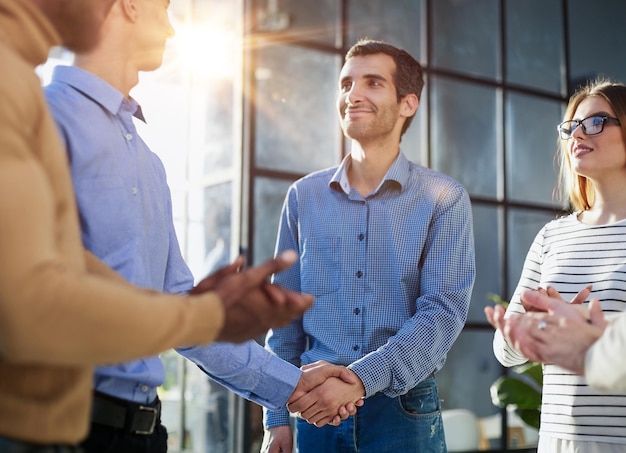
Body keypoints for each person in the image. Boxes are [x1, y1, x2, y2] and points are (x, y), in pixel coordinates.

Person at [0, 0, 316, 451]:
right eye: (165, 8)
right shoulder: (41, 116)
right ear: (129, 5)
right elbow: (38, 291)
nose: (171, 30)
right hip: (62, 429)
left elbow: (179, 308)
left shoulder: (150, 164)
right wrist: (207, 314)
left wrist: (291, 386)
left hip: (146, 433)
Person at [262, 39, 475, 453]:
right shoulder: (303, 197)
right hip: (312, 410)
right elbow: (284, 315)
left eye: (372, 83)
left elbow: (442, 313)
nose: (352, 95)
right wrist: (276, 418)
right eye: (346, 84)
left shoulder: (444, 197)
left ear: (408, 103)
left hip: (402, 411)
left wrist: (360, 379)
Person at [488, 79, 626, 453]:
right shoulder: (553, 236)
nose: (578, 133)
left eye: (596, 121)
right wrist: (529, 329)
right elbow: (507, 351)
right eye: (571, 126)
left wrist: (588, 331)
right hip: (557, 441)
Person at [486, 287, 626, 392]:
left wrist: (585, 333)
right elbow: (506, 355)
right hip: (558, 425)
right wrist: (534, 333)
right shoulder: (544, 247)